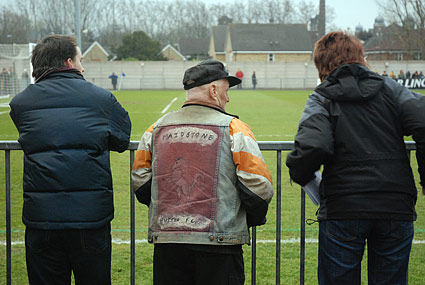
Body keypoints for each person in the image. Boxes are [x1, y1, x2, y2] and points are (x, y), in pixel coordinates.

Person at [286, 31, 425, 285]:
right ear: (360, 56)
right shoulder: (391, 89)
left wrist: (303, 177)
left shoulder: (321, 98)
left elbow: (312, 146)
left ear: (321, 64)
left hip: (343, 208)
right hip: (395, 205)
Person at [132, 59, 274, 285]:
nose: (228, 98)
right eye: (227, 91)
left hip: (168, 242)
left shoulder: (155, 128)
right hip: (220, 245)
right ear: (214, 89)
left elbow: (140, 181)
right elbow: (259, 187)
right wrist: (244, 218)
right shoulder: (234, 128)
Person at [9, 35, 131, 284]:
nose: (83, 67)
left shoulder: (21, 103)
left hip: (42, 220)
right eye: (80, 60)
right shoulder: (100, 99)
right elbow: (122, 139)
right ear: (68, 62)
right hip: (90, 220)